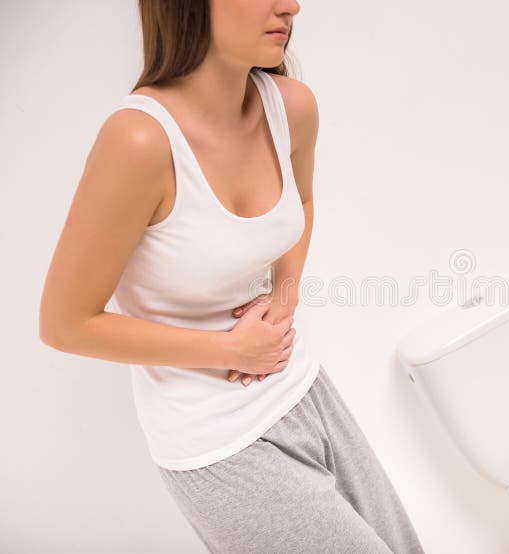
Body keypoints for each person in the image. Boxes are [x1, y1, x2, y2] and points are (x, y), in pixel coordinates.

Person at [38, 1, 425, 552]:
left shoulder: (292, 107)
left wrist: (284, 299)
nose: (291, 6)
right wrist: (231, 351)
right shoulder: (139, 141)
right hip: (216, 443)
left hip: (303, 389)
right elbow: (65, 323)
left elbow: (302, 201)